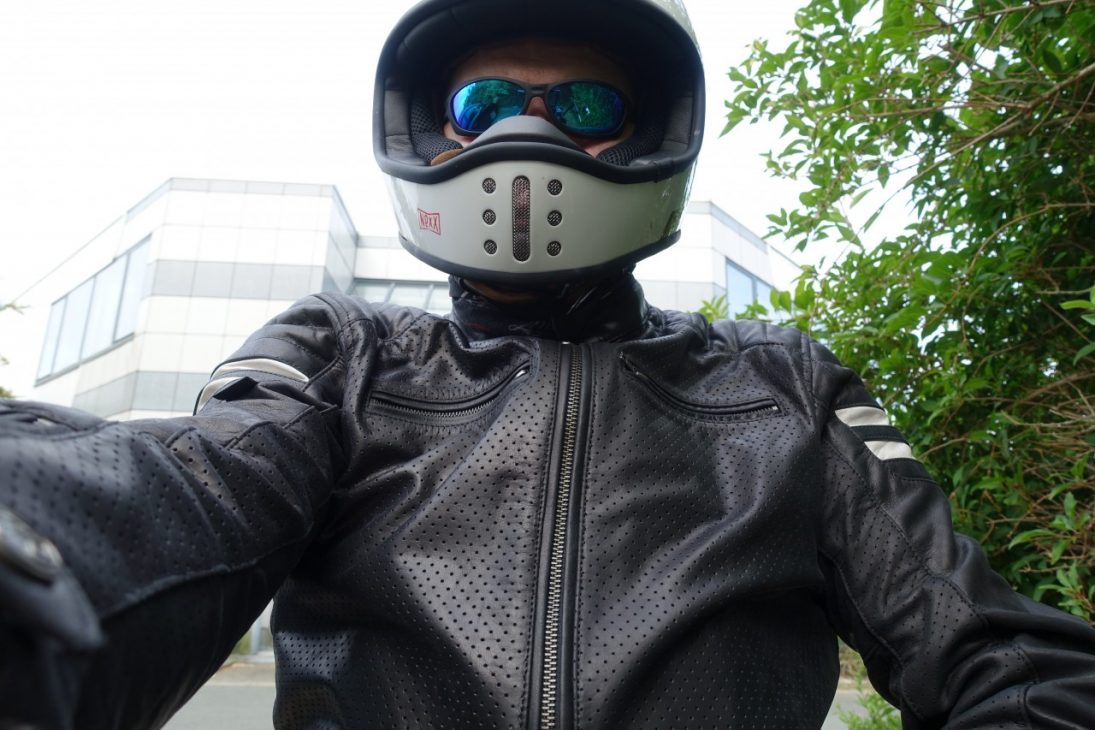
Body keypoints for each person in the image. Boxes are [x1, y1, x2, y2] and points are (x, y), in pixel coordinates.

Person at [2, 0, 1094, 728]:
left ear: (650, 134)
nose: (525, 137)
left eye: (582, 107)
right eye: (481, 105)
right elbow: (186, 492)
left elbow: (1003, 657)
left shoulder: (780, 386)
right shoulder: (343, 356)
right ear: (434, 136)